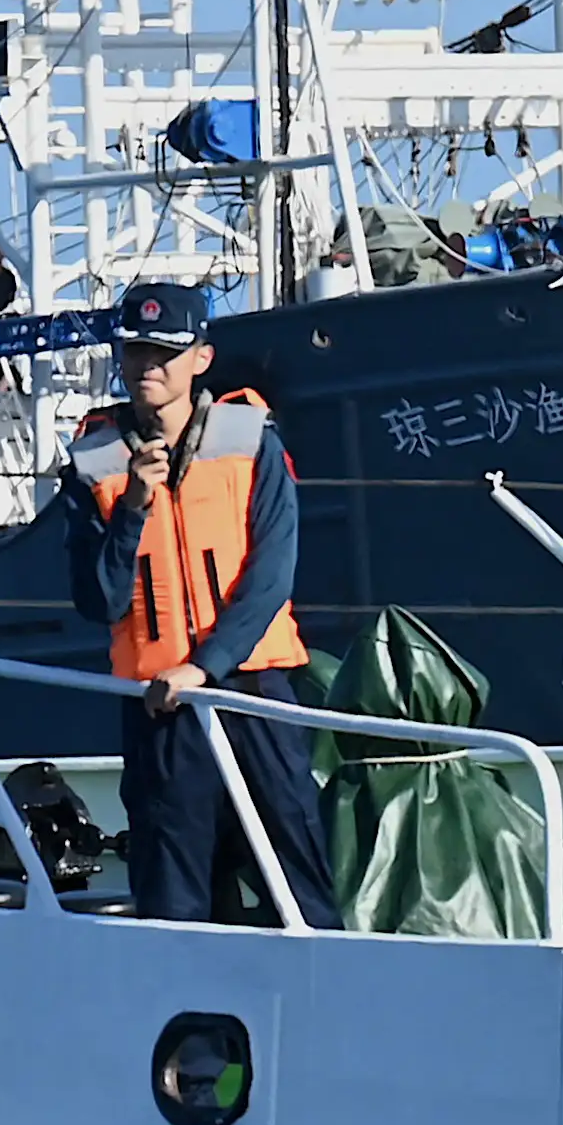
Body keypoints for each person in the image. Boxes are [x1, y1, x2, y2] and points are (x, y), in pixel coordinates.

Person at [70, 284, 341, 928]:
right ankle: (185, 1016)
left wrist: (207, 664)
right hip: (162, 712)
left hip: (254, 696)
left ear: (201, 358)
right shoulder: (95, 463)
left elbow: (271, 575)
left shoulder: (251, 441)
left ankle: (319, 1004)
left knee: (296, 877)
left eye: (165, 352)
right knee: (175, 897)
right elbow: (98, 599)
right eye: (135, 350)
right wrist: (131, 509)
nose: (147, 367)